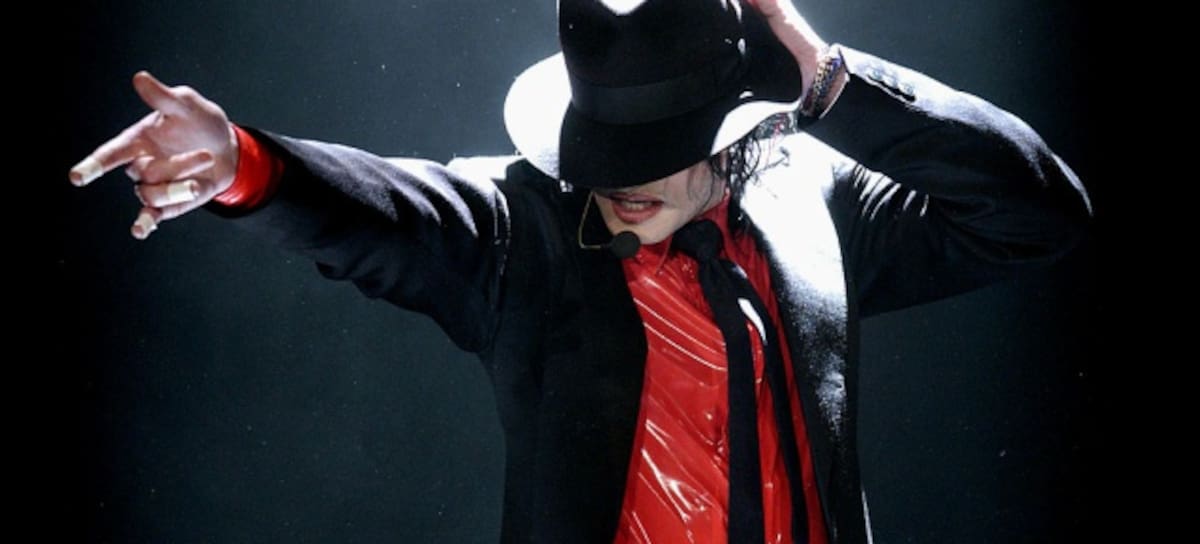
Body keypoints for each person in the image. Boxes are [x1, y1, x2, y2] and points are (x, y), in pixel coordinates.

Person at [69, 0, 1091, 542]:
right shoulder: (527, 231)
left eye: (659, 151)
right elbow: (387, 213)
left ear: (738, 129)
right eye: (607, 148)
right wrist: (243, 164)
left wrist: (831, 82)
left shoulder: (814, 202)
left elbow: (1036, 213)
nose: (622, 182)